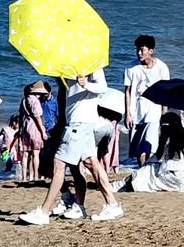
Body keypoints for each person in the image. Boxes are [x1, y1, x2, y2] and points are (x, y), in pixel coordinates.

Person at [18, 71, 124, 225]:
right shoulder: (70, 63)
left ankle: (44, 211)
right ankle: (109, 205)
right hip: (79, 123)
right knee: (91, 163)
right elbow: (66, 88)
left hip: (79, 123)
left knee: (59, 164)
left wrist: (85, 83)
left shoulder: (92, 63)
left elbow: (102, 87)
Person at [123, 36, 170, 167]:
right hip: (136, 112)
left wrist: (164, 113)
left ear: (150, 50)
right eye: (137, 50)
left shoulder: (162, 68)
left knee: (150, 144)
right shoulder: (131, 68)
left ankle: (148, 169)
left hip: (154, 112)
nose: (139, 53)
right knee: (138, 147)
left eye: (142, 50)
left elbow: (165, 92)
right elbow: (127, 92)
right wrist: (127, 114)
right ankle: (143, 169)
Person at [129, 113, 184, 192]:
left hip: (179, 181)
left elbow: (158, 158)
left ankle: (125, 184)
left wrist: (146, 164)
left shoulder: (169, 140)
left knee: (148, 169)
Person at [14, 82, 49, 182]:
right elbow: (37, 117)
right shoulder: (35, 101)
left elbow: (20, 116)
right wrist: (43, 131)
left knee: (25, 154)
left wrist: (20, 130)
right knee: (35, 153)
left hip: (25, 127)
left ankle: (24, 177)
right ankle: (35, 176)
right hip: (34, 127)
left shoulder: (24, 100)